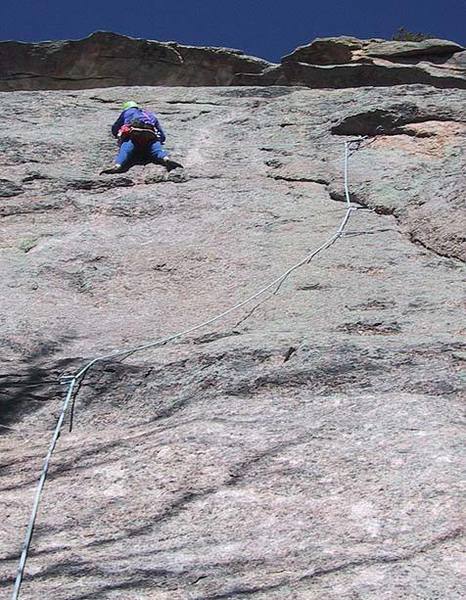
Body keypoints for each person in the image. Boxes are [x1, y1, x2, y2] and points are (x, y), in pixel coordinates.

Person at [100, 101, 183, 174]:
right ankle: (165, 158)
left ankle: (118, 165)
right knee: (156, 148)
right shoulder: (149, 114)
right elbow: (161, 133)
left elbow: (116, 126)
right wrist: (160, 140)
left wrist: (116, 135)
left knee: (126, 148)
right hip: (149, 134)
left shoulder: (127, 112)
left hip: (133, 134)